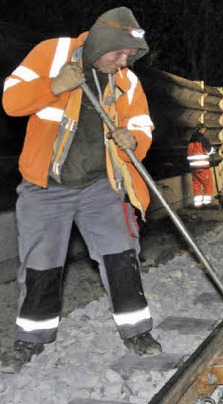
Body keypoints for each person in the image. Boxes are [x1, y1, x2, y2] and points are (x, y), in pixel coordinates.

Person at [0, 7, 162, 374]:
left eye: (129, 56)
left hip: (100, 185)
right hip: (46, 187)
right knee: (42, 265)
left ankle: (137, 332)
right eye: (118, 53)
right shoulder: (52, 53)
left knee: (121, 255)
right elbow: (10, 100)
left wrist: (133, 140)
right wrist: (54, 86)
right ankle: (31, 341)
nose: (123, 61)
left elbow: (142, 124)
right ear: (101, 43)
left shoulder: (126, 81)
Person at [187, 123, 216, 208]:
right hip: (202, 167)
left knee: (196, 185)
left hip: (193, 168)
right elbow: (208, 150)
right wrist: (212, 150)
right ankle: (206, 204)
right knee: (208, 185)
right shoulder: (203, 139)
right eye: (204, 130)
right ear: (202, 130)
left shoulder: (190, 141)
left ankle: (198, 205)